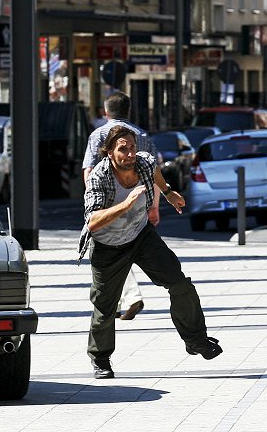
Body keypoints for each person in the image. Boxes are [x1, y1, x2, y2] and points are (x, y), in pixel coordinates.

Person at [78, 126, 222, 379]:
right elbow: (92, 221)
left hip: (140, 235)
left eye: (132, 147)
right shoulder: (99, 176)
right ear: (110, 152)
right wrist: (126, 204)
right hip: (107, 246)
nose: (130, 153)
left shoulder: (143, 162)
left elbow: (154, 169)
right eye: (123, 149)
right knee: (105, 305)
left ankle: (196, 340)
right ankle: (100, 358)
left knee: (179, 283)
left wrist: (168, 193)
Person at [82, 91, 157, 320]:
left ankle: (126, 298)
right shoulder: (141, 135)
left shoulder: (98, 135)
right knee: (128, 246)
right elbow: (153, 173)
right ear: (129, 111)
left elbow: (88, 171)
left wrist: (94, 201)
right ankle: (119, 302)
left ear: (106, 112)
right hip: (138, 201)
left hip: (107, 206)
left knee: (111, 250)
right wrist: (154, 207)